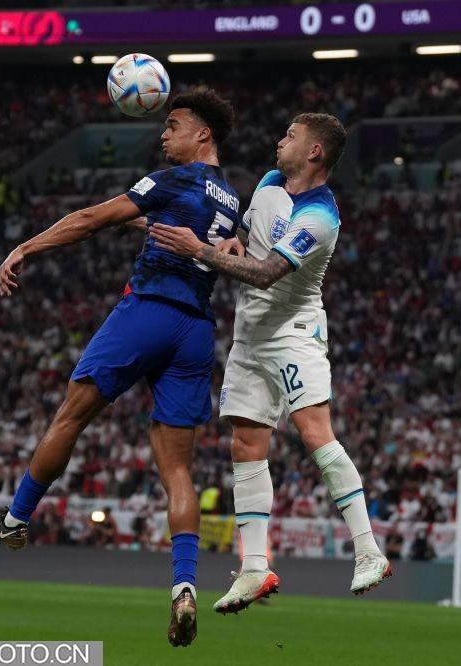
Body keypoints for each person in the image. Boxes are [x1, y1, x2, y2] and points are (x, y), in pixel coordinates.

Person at [0, 88, 238, 648]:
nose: (163, 135)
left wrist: (25, 248)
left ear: (203, 135)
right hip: (196, 331)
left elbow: (92, 217)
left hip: (147, 311)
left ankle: (16, 519)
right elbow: (174, 230)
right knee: (178, 470)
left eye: (173, 125)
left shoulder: (173, 180)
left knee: (71, 416)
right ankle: (185, 586)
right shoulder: (229, 200)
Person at [149, 113, 391, 614]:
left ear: (315, 151)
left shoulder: (320, 217)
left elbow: (264, 273)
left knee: (315, 433)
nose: (279, 141)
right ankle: (255, 568)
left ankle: (369, 550)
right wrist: (232, 239)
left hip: (293, 334)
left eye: (290, 136)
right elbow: (246, 235)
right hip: (250, 335)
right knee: (245, 444)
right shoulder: (269, 181)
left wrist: (200, 250)